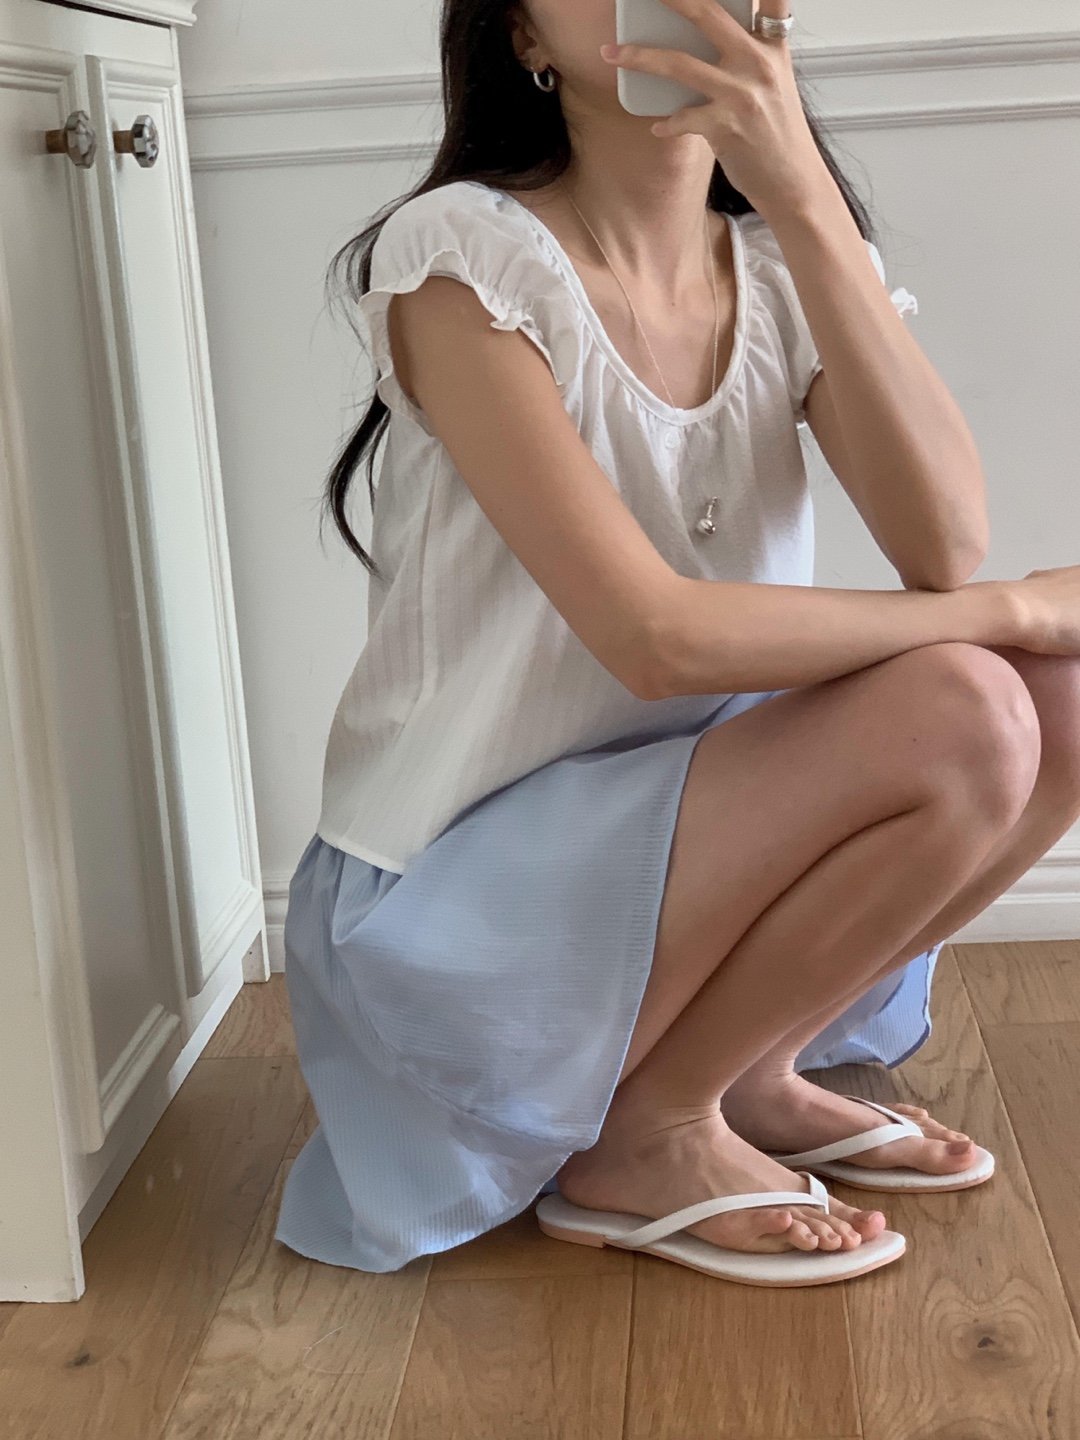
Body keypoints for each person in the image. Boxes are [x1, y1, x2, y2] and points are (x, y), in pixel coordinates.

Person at [274, 0, 1080, 1283]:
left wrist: (802, 194)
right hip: (458, 906)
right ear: (523, 38)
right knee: (972, 700)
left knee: (1063, 699)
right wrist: (1009, 609)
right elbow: (652, 639)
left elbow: (942, 540)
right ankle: (647, 1135)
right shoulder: (463, 257)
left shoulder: (776, 264)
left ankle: (742, 1069)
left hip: (689, 845)